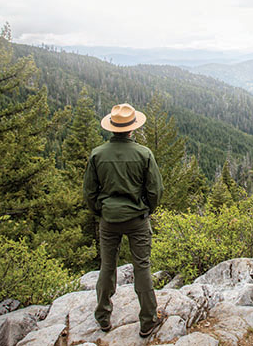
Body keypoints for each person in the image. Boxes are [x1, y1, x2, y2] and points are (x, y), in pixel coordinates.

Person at [83, 103, 165, 338]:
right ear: (132, 129)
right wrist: (146, 209)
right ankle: (148, 320)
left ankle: (103, 317)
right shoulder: (143, 154)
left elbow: (89, 192)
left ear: (112, 128)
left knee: (107, 266)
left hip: (109, 219)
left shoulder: (98, 154)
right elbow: (155, 190)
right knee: (142, 266)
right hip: (137, 218)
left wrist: (102, 210)